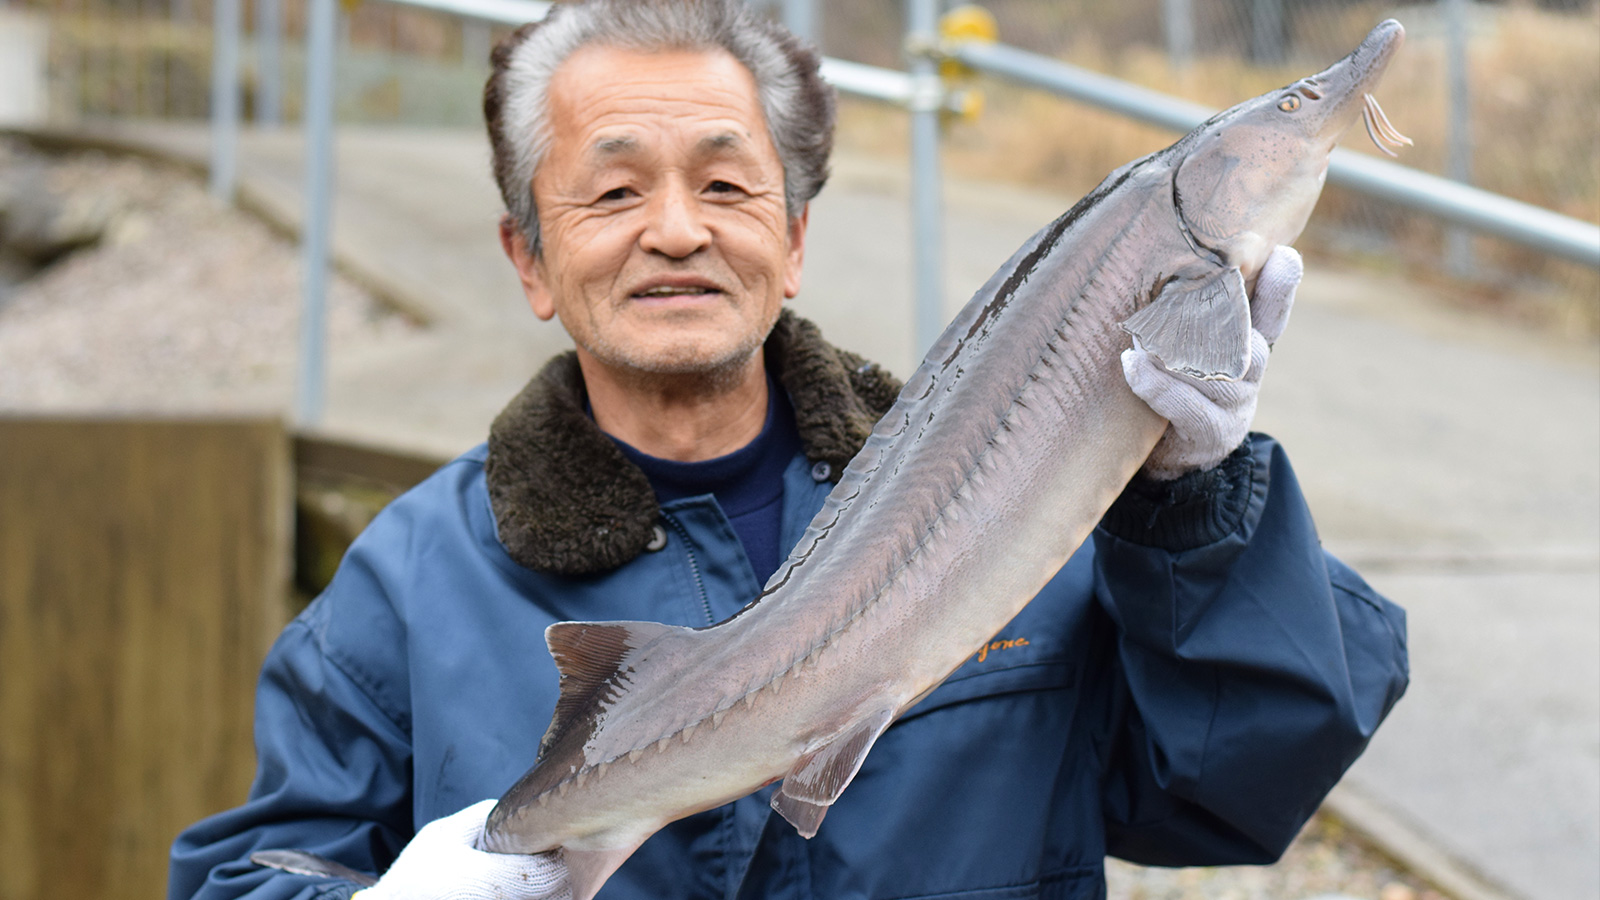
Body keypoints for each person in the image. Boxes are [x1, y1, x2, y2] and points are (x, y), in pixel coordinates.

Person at [168, 1, 1409, 898]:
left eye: (725, 185)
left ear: (795, 237)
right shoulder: (410, 582)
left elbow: (1231, 797)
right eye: (609, 194)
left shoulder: (1044, 495)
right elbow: (250, 875)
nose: (673, 231)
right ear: (529, 261)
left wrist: (1191, 512)